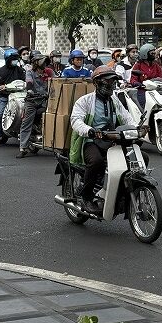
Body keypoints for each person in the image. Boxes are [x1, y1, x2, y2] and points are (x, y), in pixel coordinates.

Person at [69, 66, 135, 214]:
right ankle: (86, 197)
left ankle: (121, 193)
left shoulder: (114, 100)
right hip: (90, 141)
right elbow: (76, 121)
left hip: (112, 140)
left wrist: (136, 128)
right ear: (96, 83)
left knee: (139, 158)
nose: (111, 85)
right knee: (96, 162)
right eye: (107, 82)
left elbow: (126, 117)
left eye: (113, 82)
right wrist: (90, 131)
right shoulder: (84, 101)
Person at [17, 52, 54, 158]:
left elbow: (56, 82)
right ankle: (23, 147)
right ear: (36, 63)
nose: (45, 64)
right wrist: (29, 90)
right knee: (26, 123)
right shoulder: (30, 72)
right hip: (32, 101)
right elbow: (29, 83)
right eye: (42, 62)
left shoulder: (49, 72)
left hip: (44, 101)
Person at [0, 48, 26, 146]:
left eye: (16, 59)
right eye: (13, 59)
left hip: (19, 96)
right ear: (7, 60)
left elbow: (25, 80)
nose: (15, 61)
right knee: (0, 114)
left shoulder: (19, 70)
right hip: (5, 96)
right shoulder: (1, 71)